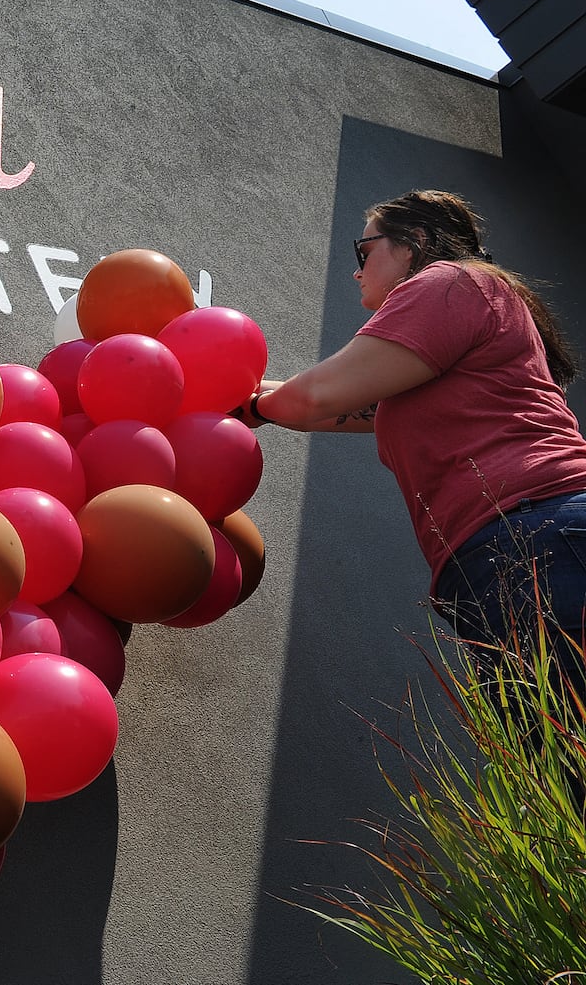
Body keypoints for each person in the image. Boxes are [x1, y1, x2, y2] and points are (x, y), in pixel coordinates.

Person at [240, 189, 586, 696]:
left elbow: (314, 397)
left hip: (535, 534)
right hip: (514, 544)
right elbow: (324, 403)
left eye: (365, 251)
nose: (357, 271)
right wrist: (240, 395)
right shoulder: (456, 325)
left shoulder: (449, 282)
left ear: (415, 243)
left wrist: (243, 406)